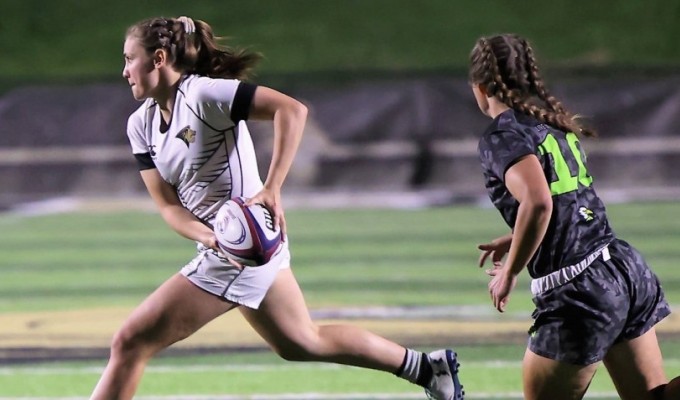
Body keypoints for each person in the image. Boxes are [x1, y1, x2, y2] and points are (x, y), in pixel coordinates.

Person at [90, 16, 464, 400]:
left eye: (129, 59)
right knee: (302, 341)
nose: (124, 71)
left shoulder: (203, 95)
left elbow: (292, 111)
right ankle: (427, 369)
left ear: (159, 58)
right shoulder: (141, 124)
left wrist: (272, 189)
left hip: (245, 250)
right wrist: (211, 237)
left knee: (130, 342)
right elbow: (169, 207)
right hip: (230, 247)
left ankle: (427, 370)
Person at [468, 33, 680, 400]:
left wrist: (510, 272)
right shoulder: (549, 121)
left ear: (482, 87)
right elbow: (565, 201)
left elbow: (538, 202)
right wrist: (517, 237)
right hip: (622, 267)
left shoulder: (502, 135)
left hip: (582, 289)